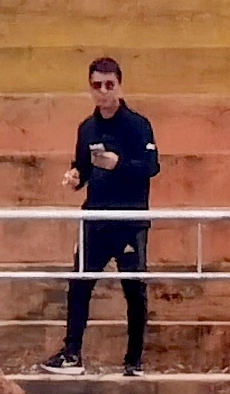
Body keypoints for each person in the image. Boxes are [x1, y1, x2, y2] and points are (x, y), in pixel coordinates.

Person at [37, 55, 157, 377]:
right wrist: (76, 177)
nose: (103, 92)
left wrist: (118, 164)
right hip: (95, 219)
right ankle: (72, 354)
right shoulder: (87, 128)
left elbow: (151, 167)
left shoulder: (138, 125)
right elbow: (83, 167)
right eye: (96, 86)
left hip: (129, 221)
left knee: (134, 289)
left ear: (119, 85)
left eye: (109, 85)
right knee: (79, 283)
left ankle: (134, 362)